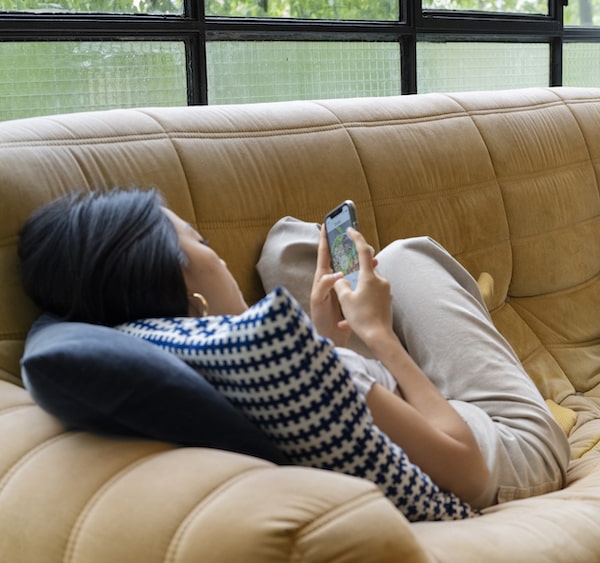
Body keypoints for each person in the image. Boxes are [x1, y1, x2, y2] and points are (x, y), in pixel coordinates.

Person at [18, 188, 570, 511]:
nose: (214, 249)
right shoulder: (302, 366)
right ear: (194, 293)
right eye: (201, 242)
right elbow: (470, 474)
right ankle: (468, 313)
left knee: (288, 245)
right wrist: (378, 337)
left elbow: (341, 398)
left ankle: (444, 318)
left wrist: (326, 336)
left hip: (388, 407)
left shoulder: (175, 345)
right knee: (409, 256)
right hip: (508, 443)